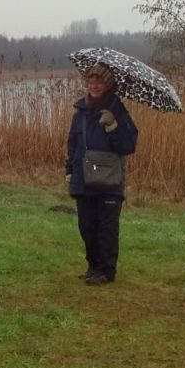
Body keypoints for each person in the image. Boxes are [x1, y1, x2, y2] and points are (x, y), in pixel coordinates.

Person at [65, 63, 140, 285]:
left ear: (109, 84)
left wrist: (113, 126)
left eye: (100, 81)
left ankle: (107, 271)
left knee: (106, 228)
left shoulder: (118, 110)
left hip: (109, 181)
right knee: (86, 226)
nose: (95, 86)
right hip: (84, 178)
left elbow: (128, 146)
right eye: (91, 81)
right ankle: (93, 265)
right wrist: (69, 170)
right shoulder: (80, 111)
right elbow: (73, 144)